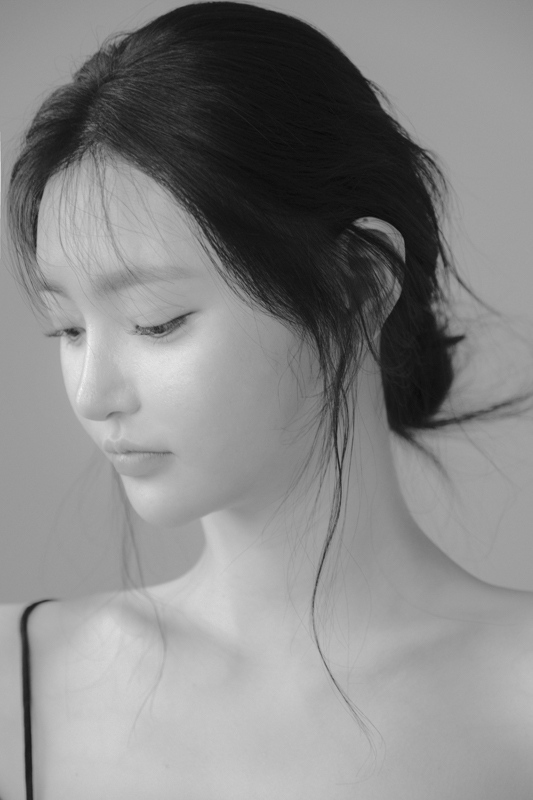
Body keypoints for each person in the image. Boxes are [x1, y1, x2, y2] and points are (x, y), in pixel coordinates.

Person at [2, 2, 533, 797]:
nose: (93, 393)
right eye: (68, 329)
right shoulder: (16, 682)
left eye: (156, 320)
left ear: (359, 285)